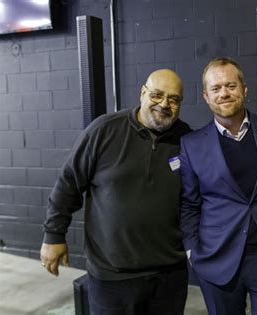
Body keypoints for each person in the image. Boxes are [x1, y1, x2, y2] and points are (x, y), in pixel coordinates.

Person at [40, 69, 192, 315]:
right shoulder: (104, 131)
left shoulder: (188, 140)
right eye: (157, 95)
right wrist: (53, 236)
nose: (164, 104)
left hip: (169, 276)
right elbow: (68, 183)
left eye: (173, 99)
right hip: (113, 277)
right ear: (143, 93)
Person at [179, 57, 257, 315]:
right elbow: (189, 204)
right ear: (206, 96)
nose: (224, 93)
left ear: (244, 89)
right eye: (216, 89)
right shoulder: (192, 144)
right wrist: (193, 251)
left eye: (231, 86)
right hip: (217, 260)